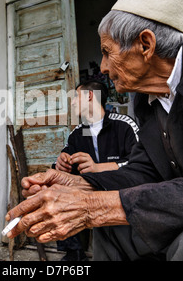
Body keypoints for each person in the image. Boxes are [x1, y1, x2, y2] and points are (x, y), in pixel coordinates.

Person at [4, 0, 183, 260]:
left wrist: (92, 207)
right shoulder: (146, 101)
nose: (103, 68)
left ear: (146, 45)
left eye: (107, 52)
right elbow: (147, 171)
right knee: (111, 227)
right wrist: (84, 186)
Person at [53, 80, 139, 260]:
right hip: (90, 192)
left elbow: (140, 163)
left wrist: (98, 168)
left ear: (89, 96)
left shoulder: (123, 125)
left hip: (121, 191)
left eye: (76, 97)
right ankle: (74, 252)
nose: (73, 102)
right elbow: (66, 155)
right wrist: (61, 163)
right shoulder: (78, 132)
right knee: (57, 189)